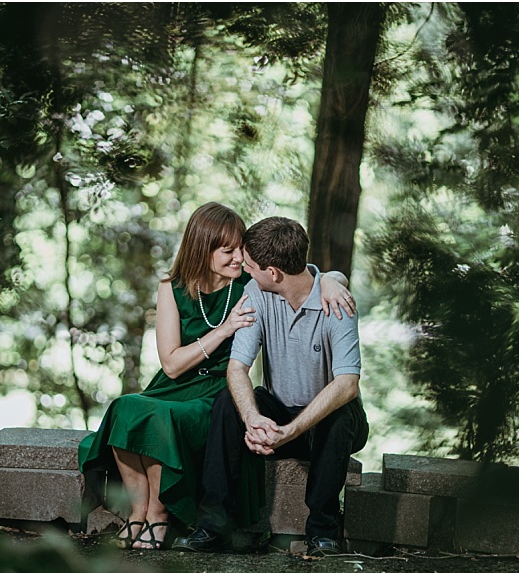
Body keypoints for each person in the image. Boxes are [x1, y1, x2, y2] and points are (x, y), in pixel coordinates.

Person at [78, 203, 355, 550]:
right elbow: (173, 365)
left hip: (216, 386)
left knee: (170, 416)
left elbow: (295, 274)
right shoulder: (182, 286)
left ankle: (161, 518)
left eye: (243, 248)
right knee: (126, 407)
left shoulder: (250, 283)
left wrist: (331, 279)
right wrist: (225, 333)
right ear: (202, 249)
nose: (241, 258)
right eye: (230, 250)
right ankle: (141, 515)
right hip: (178, 384)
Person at [173, 216, 369, 557]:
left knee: (339, 416)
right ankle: (214, 526)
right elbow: (237, 368)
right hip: (278, 413)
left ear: (274, 272)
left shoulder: (337, 302)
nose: (245, 270)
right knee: (225, 404)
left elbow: (348, 384)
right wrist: (252, 419)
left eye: (250, 265)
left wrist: (290, 431)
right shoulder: (256, 293)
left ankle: (323, 533)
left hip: (325, 420)